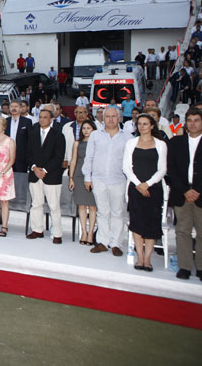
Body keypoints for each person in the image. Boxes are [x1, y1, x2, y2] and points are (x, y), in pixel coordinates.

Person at [123, 114, 168, 272]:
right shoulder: (131, 143)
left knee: (151, 224)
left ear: (152, 126)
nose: (142, 127)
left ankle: (148, 260)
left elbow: (162, 169)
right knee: (136, 224)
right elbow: (126, 167)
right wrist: (139, 185)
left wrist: (147, 184)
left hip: (153, 189)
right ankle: (140, 258)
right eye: (139, 124)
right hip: (135, 189)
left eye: (145, 124)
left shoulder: (161, 144)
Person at [82, 106, 129, 256]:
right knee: (103, 212)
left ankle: (116, 243)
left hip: (119, 180)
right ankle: (102, 242)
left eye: (113, 116)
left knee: (117, 213)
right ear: (103, 118)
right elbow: (89, 157)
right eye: (107, 116)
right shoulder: (95, 135)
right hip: (98, 179)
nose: (110, 119)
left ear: (119, 118)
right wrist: (87, 177)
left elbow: (129, 161)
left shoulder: (128, 137)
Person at [167, 108, 202, 280]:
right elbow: (171, 170)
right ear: (185, 123)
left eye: (197, 120)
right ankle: (185, 266)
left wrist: (197, 190)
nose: (193, 123)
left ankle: (201, 267)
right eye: (190, 120)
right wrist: (185, 190)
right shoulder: (176, 143)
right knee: (182, 231)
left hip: (200, 193)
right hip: (182, 193)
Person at [26, 107, 66, 243]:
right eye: (40, 117)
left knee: (54, 206)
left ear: (51, 119)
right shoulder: (33, 133)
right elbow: (28, 154)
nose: (42, 119)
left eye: (45, 117)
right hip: (34, 175)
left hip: (52, 176)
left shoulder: (58, 135)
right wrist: (34, 168)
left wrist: (45, 170)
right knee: (36, 204)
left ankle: (57, 234)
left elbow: (58, 157)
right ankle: (37, 230)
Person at [69, 120, 98, 246]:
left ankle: (91, 232)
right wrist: (71, 177)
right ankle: (84, 232)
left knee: (92, 206)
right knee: (81, 205)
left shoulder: (97, 143)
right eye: (84, 128)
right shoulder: (77, 143)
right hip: (79, 175)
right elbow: (73, 161)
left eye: (88, 128)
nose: (86, 130)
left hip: (94, 176)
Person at [4, 99, 32, 202]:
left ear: (21, 109)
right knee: (7, 178)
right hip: (7, 156)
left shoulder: (27, 122)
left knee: (20, 178)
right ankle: (7, 197)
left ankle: (20, 199)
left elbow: (30, 141)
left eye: (16, 106)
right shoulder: (5, 121)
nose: (14, 108)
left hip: (21, 156)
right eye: (12, 106)